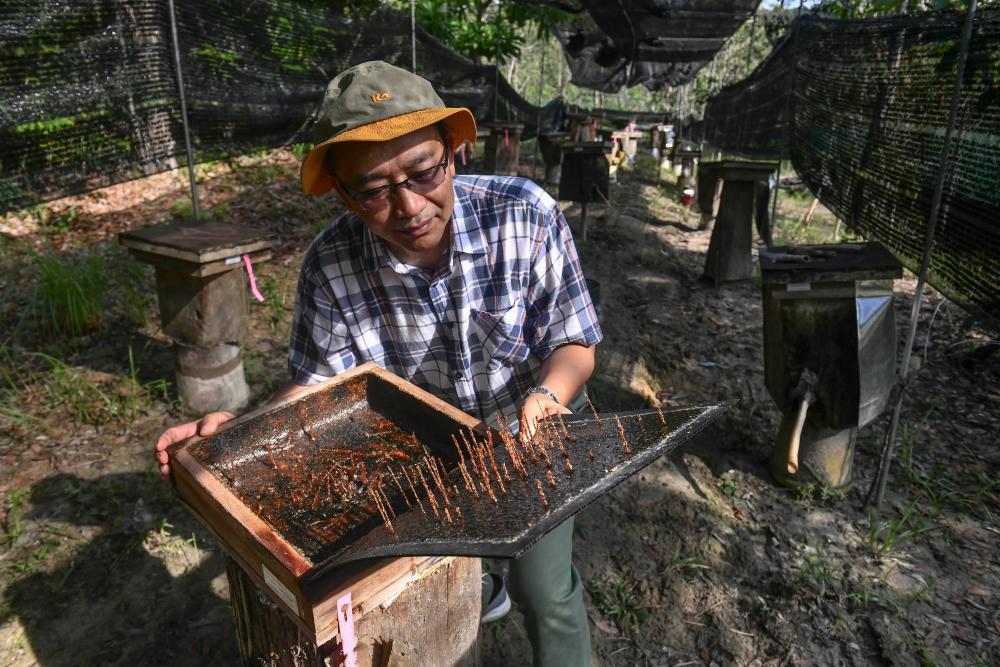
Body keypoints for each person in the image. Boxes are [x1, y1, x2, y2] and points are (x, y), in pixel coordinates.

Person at [154, 60, 601, 666]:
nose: (409, 204)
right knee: (431, 600)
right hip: (418, 467)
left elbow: (574, 343)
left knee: (544, 592)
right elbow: (319, 393)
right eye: (374, 190)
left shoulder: (525, 215)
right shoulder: (330, 265)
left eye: (424, 172)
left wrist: (548, 397)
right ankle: (480, 577)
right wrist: (238, 436)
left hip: (529, 438)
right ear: (343, 193)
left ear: (454, 151)